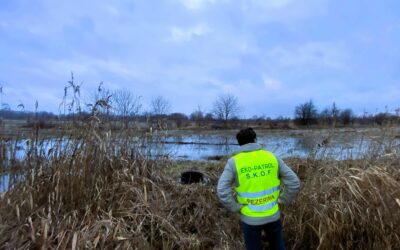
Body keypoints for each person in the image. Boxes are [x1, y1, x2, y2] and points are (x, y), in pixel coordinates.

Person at [217, 128, 300, 250]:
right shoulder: (272, 157)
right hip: (273, 215)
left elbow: (222, 190)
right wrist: (282, 200)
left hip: (250, 219)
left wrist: (235, 207)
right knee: (278, 246)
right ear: (255, 139)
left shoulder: (234, 162)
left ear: (239, 143)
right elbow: (294, 183)